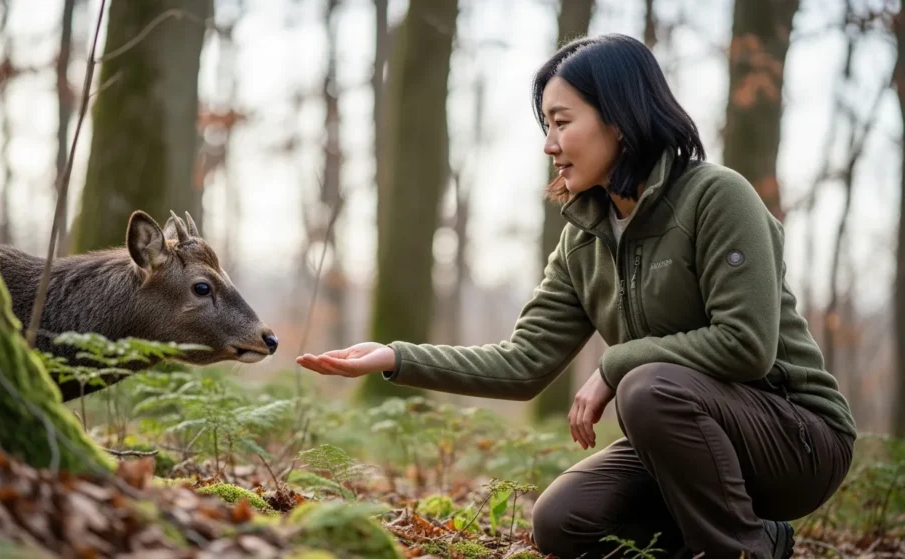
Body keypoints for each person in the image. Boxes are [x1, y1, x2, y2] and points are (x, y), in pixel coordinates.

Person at [296, 33, 855, 559]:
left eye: (562, 122)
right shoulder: (582, 239)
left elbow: (746, 345)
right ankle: (759, 537)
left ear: (619, 120)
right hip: (686, 436)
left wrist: (614, 365)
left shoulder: (716, 197)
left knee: (646, 386)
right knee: (563, 521)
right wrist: (396, 356)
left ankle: (740, 551)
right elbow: (523, 364)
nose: (549, 144)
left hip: (796, 438)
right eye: (546, 125)